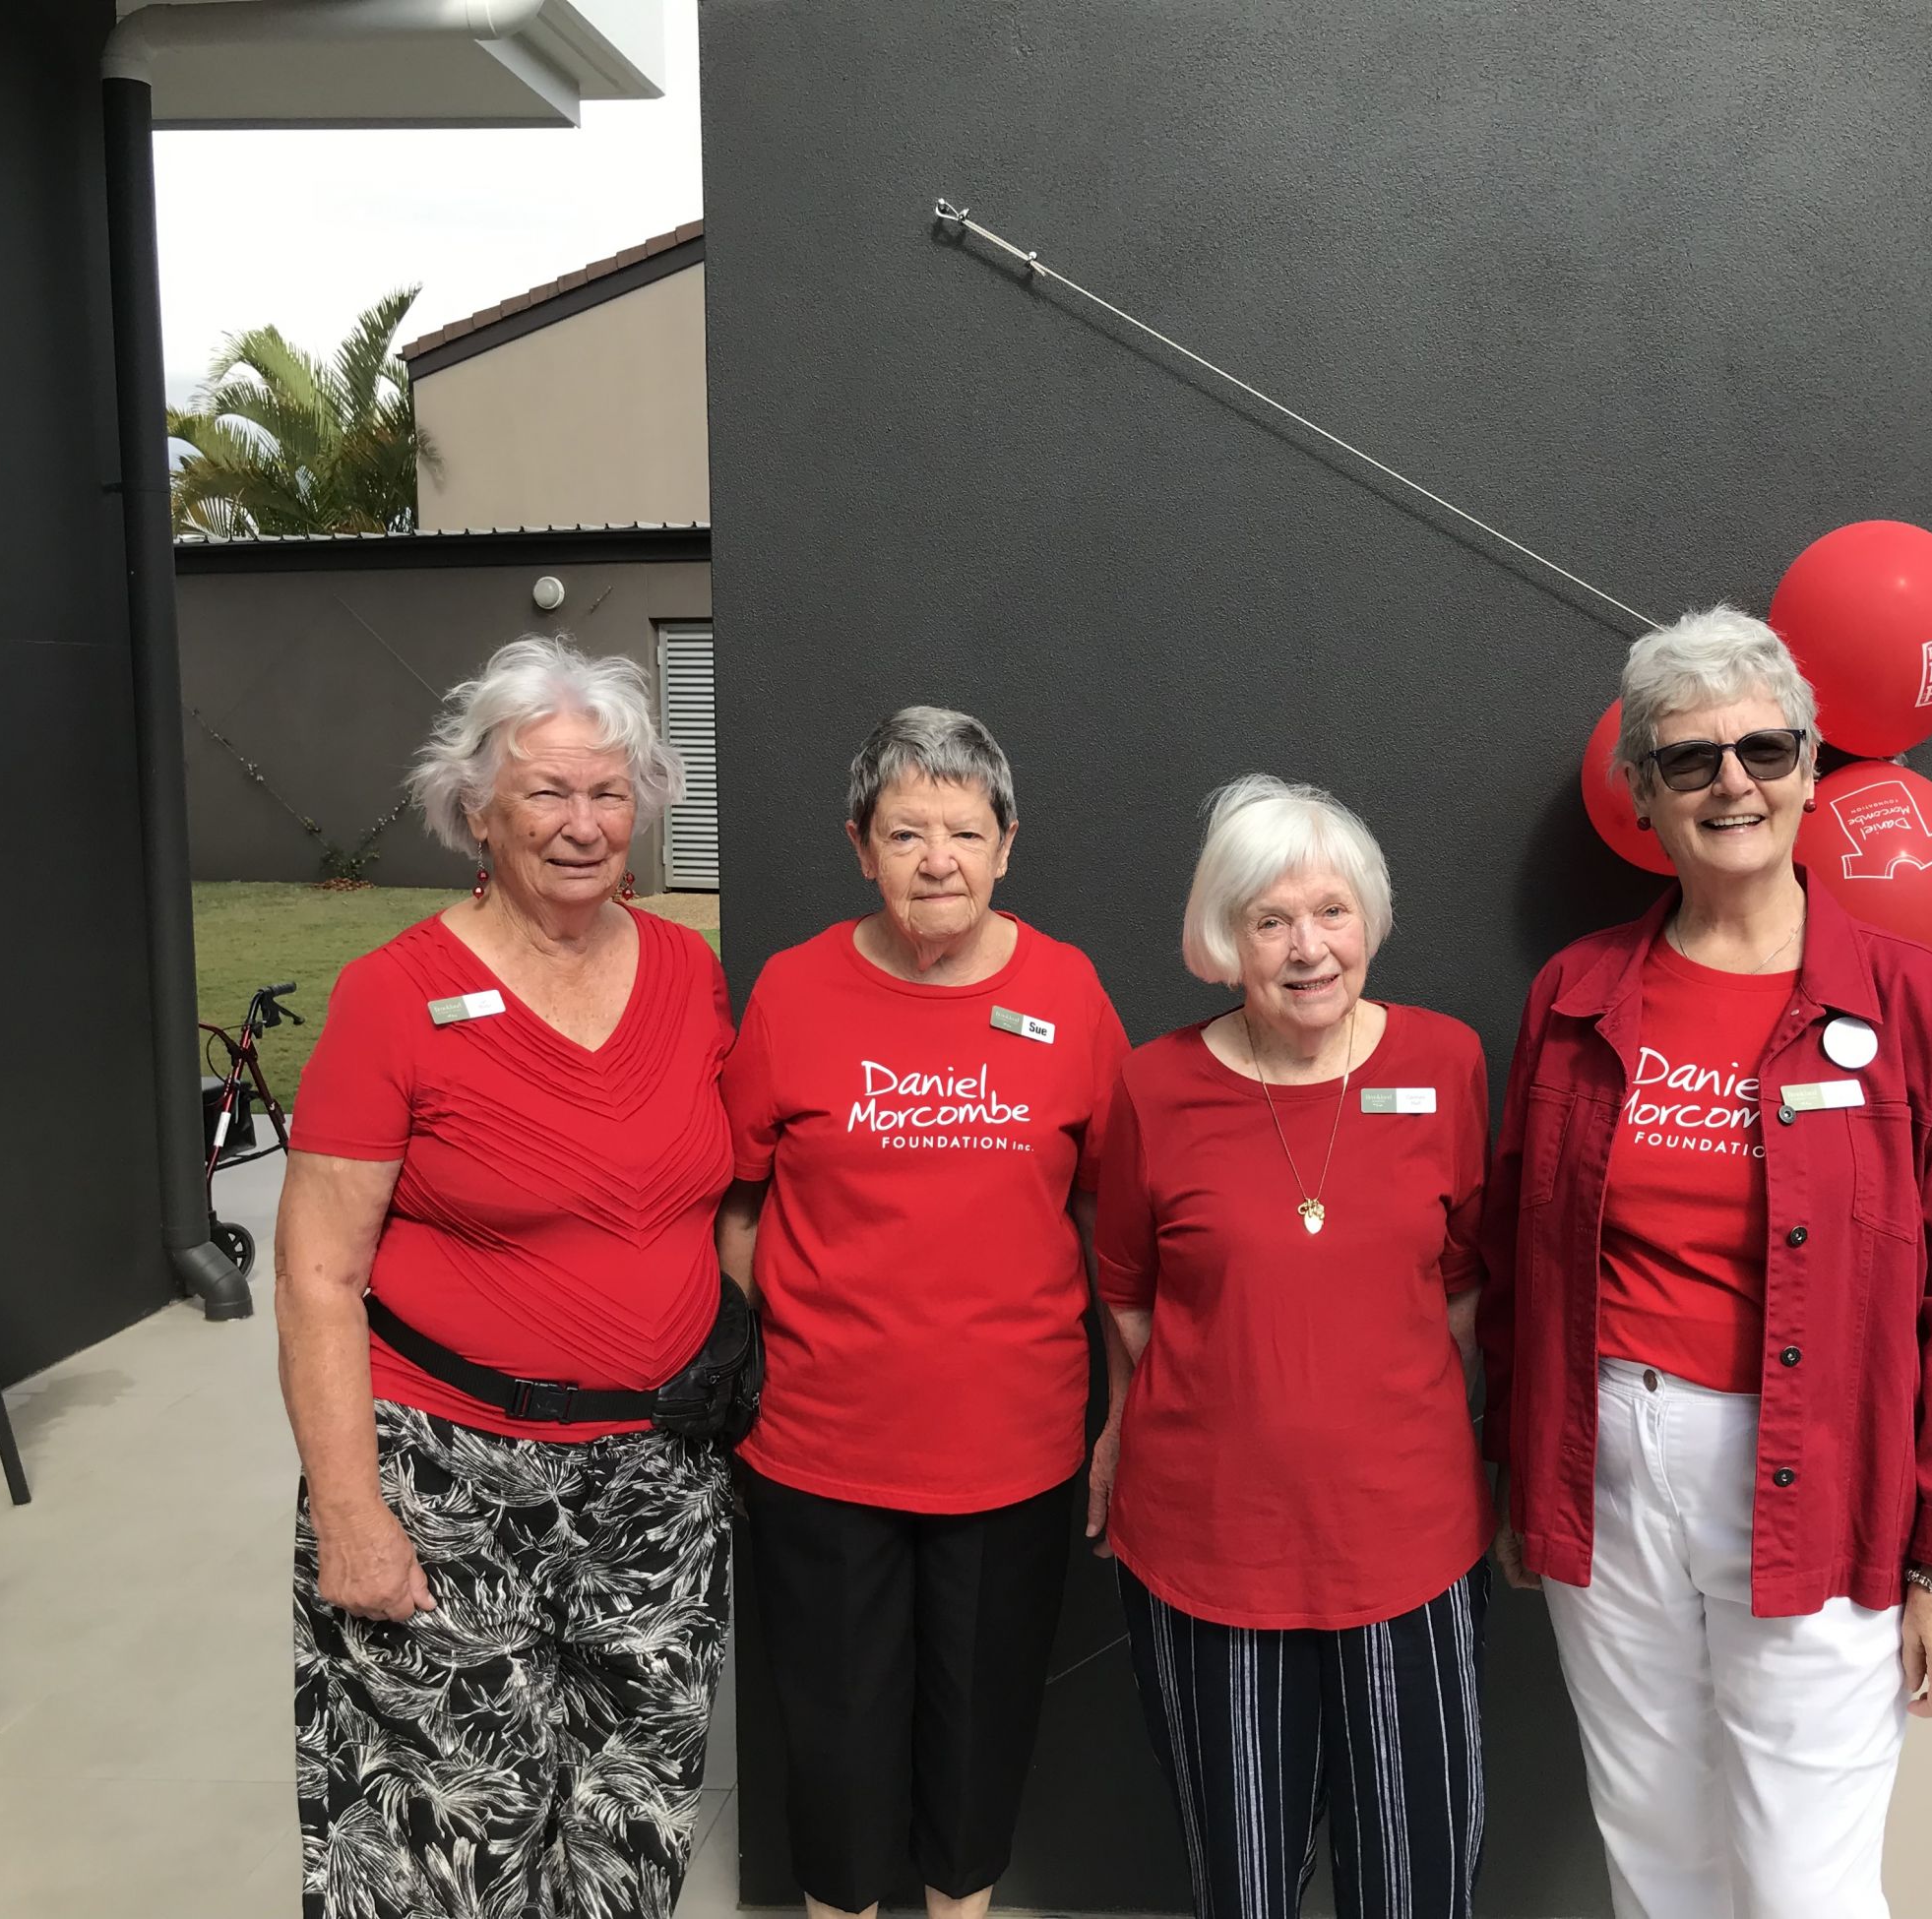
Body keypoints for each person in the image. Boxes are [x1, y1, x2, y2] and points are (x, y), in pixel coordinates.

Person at [1479, 605, 1932, 1919]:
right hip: (1605, 1468)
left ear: (1809, 767)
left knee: (1804, 1880)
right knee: (1655, 1853)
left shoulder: (1918, 1006)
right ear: (1643, 797)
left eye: (1764, 748)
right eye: (1688, 759)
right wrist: (1525, 1468)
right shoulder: (1573, 993)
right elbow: (1521, 1249)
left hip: (1815, 1477)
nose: (1732, 781)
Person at [278, 636, 742, 1919]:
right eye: (546, 791)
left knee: (627, 1830)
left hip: (654, 1487)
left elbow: (718, 1193)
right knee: (441, 1849)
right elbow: (317, 1273)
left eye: (609, 791)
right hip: (447, 1482)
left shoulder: (692, 975)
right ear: (476, 809)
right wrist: (351, 1512)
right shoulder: (393, 996)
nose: (583, 823)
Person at [717, 707, 1128, 1919]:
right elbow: (738, 1205)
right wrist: (763, 1348)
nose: (936, 857)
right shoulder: (793, 991)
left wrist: (1124, 1412)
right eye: (905, 831)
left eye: (962, 829)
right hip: (819, 1450)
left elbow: (1110, 1221)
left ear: (1007, 845)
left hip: (1011, 1449)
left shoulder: (1068, 989)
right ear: (860, 846)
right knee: (834, 1754)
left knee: (978, 1744)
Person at [1091, 775, 1495, 1919]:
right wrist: (1129, 1428)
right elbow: (1127, 1295)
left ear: (1367, 920)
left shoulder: (1447, 1063)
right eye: (1269, 920)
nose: (1307, 947)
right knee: (1244, 1878)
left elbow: (1461, 1286)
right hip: (1210, 1548)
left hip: (1406, 1548)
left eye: (1331, 911)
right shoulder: (1151, 1086)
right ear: (1224, 940)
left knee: (1417, 1877)